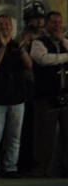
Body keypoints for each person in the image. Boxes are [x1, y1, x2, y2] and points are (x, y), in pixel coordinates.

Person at [0, 15, 32, 179]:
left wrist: (22, 49)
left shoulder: (17, 46)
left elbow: (29, 65)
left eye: (7, 24)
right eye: (1, 25)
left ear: (12, 27)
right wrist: (3, 48)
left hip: (17, 98)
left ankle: (11, 167)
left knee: (14, 137)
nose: (4, 27)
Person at [28, 11, 68, 177]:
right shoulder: (38, 42)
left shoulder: (65, 42)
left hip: (65, 95)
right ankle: (40, 168)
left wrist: (63, 43)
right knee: (44, 135)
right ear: (46, 24)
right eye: (53, 22)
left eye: (59, 22)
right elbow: (43, 59)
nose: (57, 26)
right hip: (46, 96)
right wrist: (66, 57)